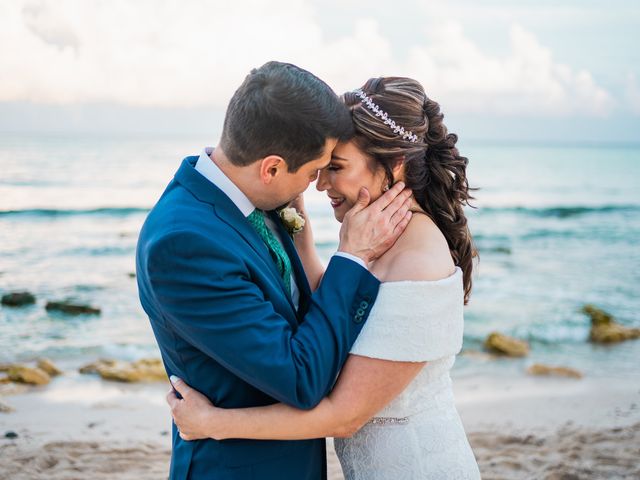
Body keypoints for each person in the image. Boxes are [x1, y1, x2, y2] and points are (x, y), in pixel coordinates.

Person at [167, 77, 482, 479]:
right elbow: (336, 312)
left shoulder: (417, 261)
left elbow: (342, 415)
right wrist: (299, 232)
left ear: (396, 163)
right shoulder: (379, 234)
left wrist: (213, 424)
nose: (320, 184)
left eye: (335, 168)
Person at [136, 63, 413, 480]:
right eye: (311, 171)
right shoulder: (184, 245)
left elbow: (301, 318)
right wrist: (351, 257)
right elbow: (302, 379)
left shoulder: (248, 198)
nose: (315, 185)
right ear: (271, 168)